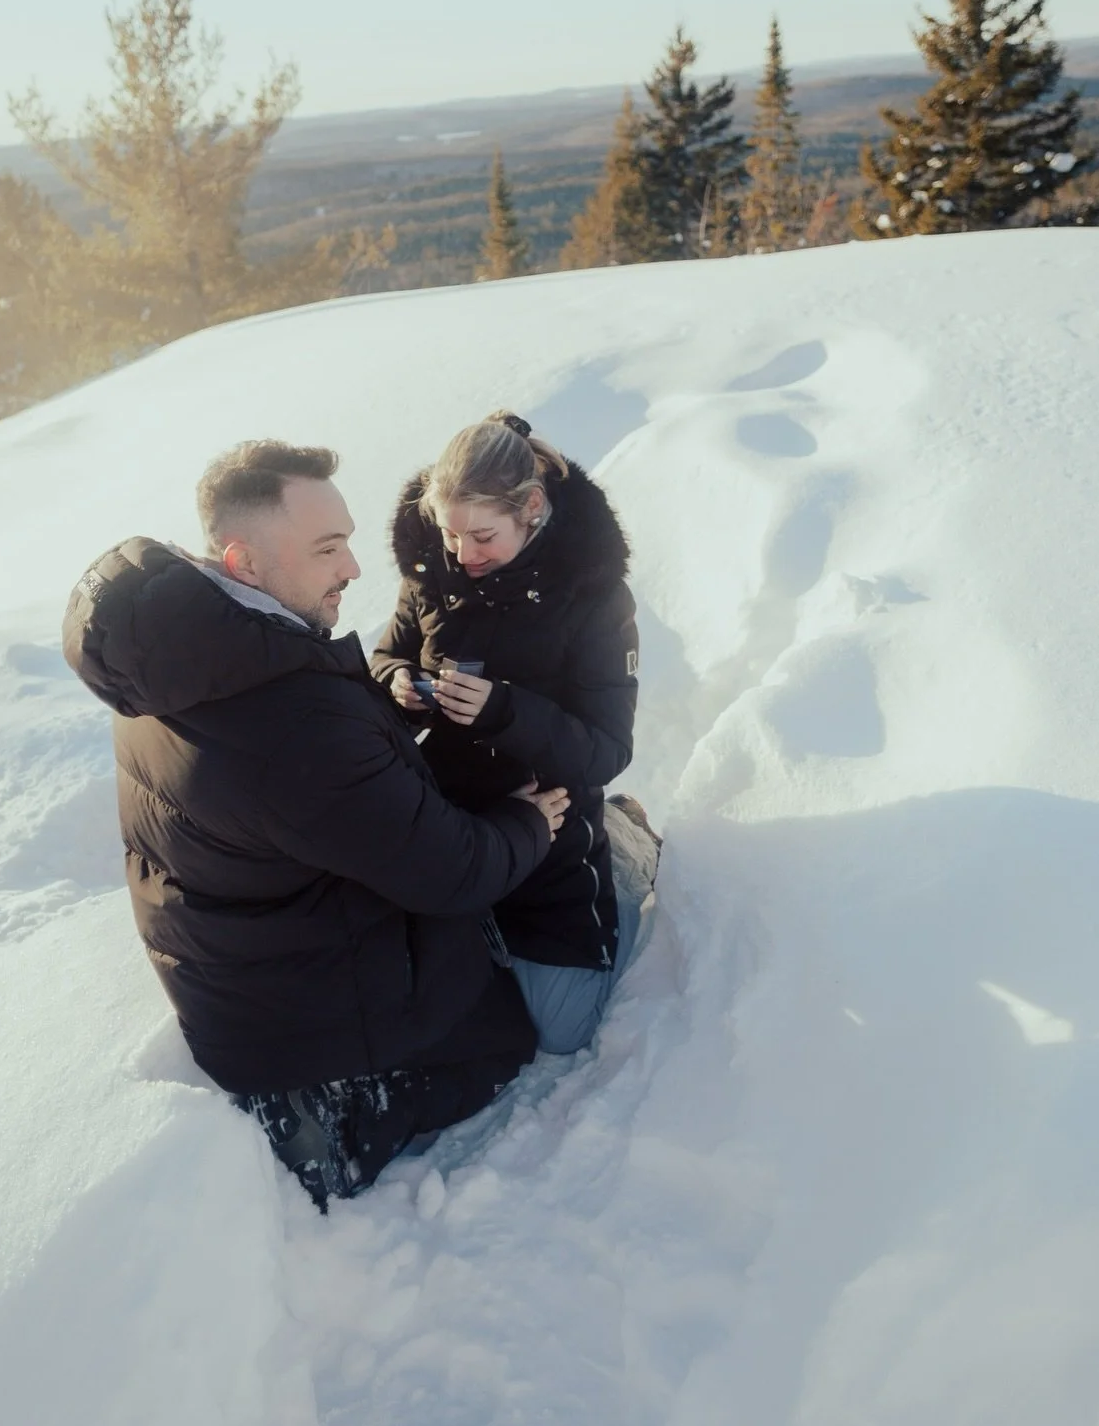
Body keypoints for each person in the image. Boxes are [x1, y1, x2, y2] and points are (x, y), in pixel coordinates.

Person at [61, 439, 569, 1211]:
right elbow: (455, 871)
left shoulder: (175, 655)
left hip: (252, 990)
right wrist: (528, 821)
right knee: (538, 969)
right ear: (244, 562)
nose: (353, 569)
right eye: (328, 548)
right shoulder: (288, 720)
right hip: (327, 1064)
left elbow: (328, 798)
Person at [371, 411, 656, 1055]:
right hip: (453, 822)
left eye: (482, 537)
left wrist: (504, 710)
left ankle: (624, 844)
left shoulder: (594, 598)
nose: (462, 555)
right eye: (449, 534)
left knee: (562, 1033)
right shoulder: (432, 574)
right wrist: (397, 684)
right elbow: (388, 655)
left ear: (531, 507)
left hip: (552, 828)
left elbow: (608, 747)